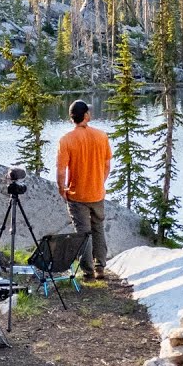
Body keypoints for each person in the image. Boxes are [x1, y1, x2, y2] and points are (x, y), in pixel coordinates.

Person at [56, 99, 112, 280]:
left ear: (71, 118)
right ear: (86, 116)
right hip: (97, 192)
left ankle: (88, 272)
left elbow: (61, 169)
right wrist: (99, 182)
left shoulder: (66, 140)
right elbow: (106, 165)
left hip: (77, 194)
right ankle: (100, 267)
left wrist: (61, 188)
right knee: (98, 228)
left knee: (83, 232)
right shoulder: (101, 136)